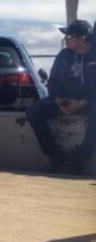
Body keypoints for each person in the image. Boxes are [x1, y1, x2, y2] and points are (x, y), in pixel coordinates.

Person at [26, 19, 96, 173]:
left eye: (69, 37)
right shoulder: (64, 55)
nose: (65, 39)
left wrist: (82, 103)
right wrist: (58, 101)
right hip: (64, 101)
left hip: (89, 102)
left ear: (82, 39)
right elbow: (52, 83)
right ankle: (56, 154)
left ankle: (79, 159)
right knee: (34, 112)